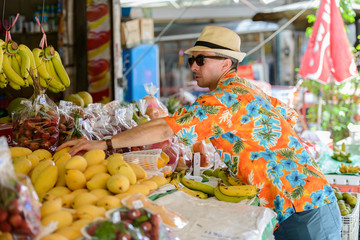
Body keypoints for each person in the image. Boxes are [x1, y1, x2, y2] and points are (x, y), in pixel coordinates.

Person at [58, 26, 341, 239]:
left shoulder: (226, 98)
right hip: (310, 204)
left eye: (201, 60)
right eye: (191, 59)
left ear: (225, 63)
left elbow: (166, 127)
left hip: (303, 212)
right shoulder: (247, 89)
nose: (193, 66)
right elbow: (288, 118)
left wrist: (106, 143)